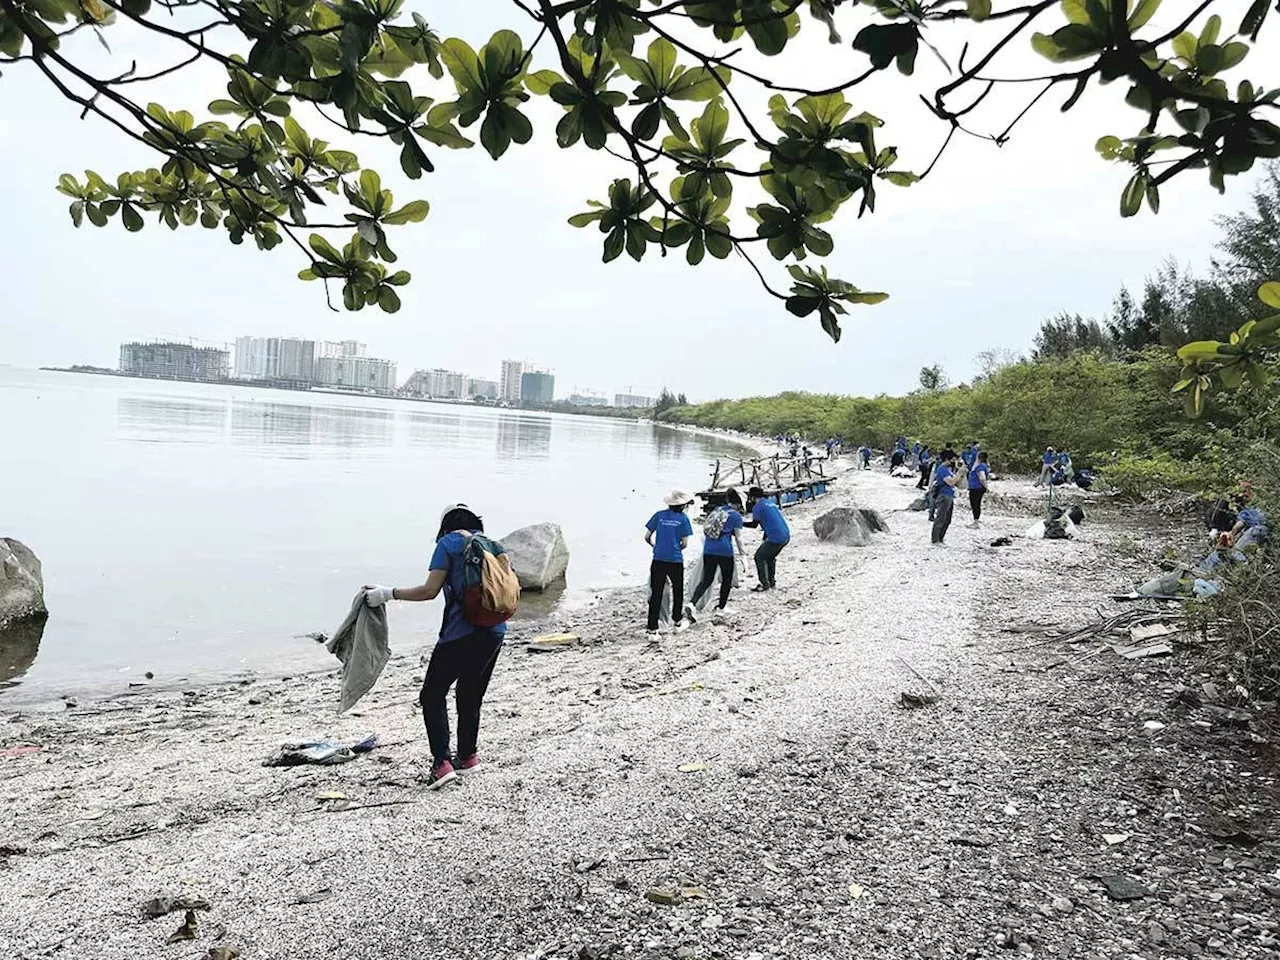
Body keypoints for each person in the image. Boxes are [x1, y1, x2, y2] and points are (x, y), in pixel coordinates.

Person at [363, 504, 504, 790]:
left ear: (445, 525)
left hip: (459, 634)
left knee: (432, 694)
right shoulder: (495, 545)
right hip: (495, 631)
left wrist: (386, 594)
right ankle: (468, 757)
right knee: (470, 693)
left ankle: (442, 764)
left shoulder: (449, 543)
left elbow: (429, 591)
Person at [685, 489, 746, 621]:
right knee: (726, 580)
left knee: (707, 579)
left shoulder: (717, 510)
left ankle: (692, 603)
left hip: (708, 549)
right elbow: (739, 538)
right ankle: (721, 609)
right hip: (725, 551)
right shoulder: (735, 516)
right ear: (740, 503)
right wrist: (743, 555)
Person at [645, 491, 694, 635]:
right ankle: (677, 620)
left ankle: (652, 627)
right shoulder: (683, 519)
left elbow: (647, 536)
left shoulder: (659, 515)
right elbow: (684, 543)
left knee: (656, 593)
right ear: (683, 505)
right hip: (675, 559)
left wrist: (656, 546)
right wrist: (675, 547)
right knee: (677, 590)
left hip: (658, 558)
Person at [747, 486, 790, 591]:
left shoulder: (757, 506)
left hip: (776, 537)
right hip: (785, 535)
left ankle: (764, 584)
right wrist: (765, 537)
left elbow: (754, 524)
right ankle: (771, 582)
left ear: (753, 497)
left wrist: (740, 523)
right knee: (770, 557)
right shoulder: (770, 504)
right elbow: (771, 521)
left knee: (759, 557)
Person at [931, 454, 960, 544]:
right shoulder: (942, 469)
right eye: (952, 460)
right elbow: (951, 482)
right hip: (944, 495)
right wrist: (959, 473)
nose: (953, 462)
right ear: (947, 460)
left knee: (947, 519)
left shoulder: (949, 470)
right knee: (941, 518)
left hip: (950, 495)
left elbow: (957, 483)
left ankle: (940, 537)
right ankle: (935, 539)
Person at [967, 451, 991, 527]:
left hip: (977, 488)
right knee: (975, 504)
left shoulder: (980, 467)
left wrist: (986, 487)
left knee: (975, 504)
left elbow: (982, 478)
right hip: (976, 488)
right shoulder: (982, 466)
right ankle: (976, 520)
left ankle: (976, 522)